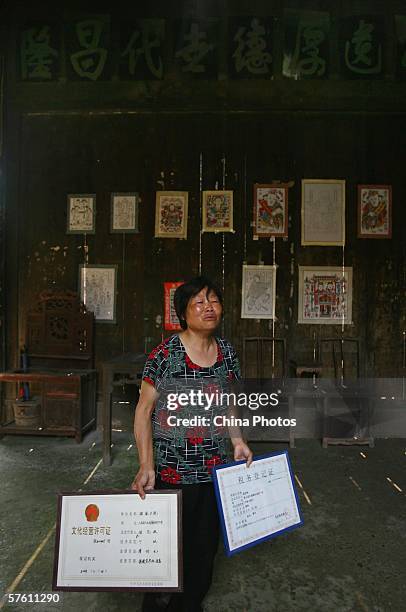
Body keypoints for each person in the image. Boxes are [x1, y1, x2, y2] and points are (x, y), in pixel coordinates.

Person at [131, 276, 253, 612]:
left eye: (213, 300)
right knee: (167, 550)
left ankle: (190, 605)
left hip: (214, 470)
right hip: (172, 471)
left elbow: (230, 399)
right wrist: (146, 465)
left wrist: (238, 440)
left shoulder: (225, 351)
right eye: (198, 302)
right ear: (183, 314)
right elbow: (143, 411)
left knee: (203, 549)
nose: (208, 307)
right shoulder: (165, 355)